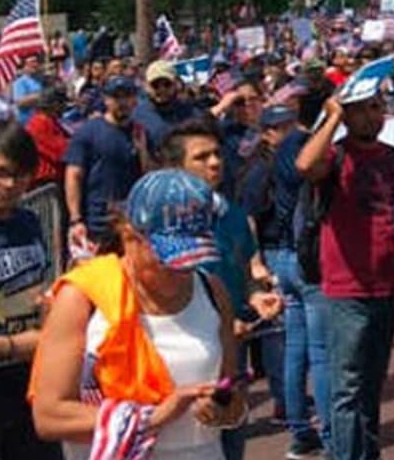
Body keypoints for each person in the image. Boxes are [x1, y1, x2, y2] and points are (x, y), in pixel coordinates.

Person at [31, 169, 247, 460]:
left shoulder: (211, 290)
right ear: (130, 236)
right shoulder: (82, 298)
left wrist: (227, 408)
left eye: (191, 260)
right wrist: (151, 418)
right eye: (169, 259)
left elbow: (229, 388)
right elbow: (49, 416)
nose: (181, 272)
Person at [296, 82, 394, 460]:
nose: (371, 116)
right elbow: (305, 165)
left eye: (376, 107)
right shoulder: (336, 156)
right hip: (347, 290)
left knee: (372, 386)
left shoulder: (393, 158)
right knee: (348, 388)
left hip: (386, 286)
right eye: (361, 109)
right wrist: (332, 118)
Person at [161, 119, 282, 460]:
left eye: (217, 154)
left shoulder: (232, 214)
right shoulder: (157, 224)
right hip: (181, 361)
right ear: (175, 168)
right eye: (201, 157)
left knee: (230, 443)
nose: (215, 162)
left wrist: (256, 298)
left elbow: (243, 275)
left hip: (231, 355)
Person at [263, 87, 332, 458]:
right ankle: (327, 431)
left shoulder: (285, 147)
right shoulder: (307, 149)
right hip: (307, 259)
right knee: (319, 353)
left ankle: (300, 430)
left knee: (295, 349)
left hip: (286, 256)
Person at [0, 123, 62, 459]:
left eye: (20, 175)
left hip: (32, 380)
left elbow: (37, 284)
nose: (10, 185)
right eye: (0, 173)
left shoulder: (27, 221)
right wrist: (13, 346)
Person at [64, 76, 143, 255]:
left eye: (127, 96)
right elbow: (73, 175)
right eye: (116, 97)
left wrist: (143, 150)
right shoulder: (88, 132)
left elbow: (148, 175)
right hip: (98, 226)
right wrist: (76, 220)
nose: (122, 102)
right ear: (106, 100)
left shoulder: (140, 132)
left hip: (132, 223)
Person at [133, 61, 199, 163]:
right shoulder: (137, 115)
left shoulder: (191, 113)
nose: (162, 89)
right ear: (146, 86)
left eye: (167, 84)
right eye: (155, 85)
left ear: (176, 84)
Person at [26, 86, 71, 189]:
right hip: (44, 183)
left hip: (55, 179)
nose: (64, 107)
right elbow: (61, 152)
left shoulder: (51, 121)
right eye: (62, 104)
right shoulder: (39, 123)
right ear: (54, 105)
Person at [12, 54, 44, 126]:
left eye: (36, 61)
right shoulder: (19, 82)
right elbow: (19, 102)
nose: (35, 64)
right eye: (31, 62)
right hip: (29, 122)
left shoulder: (39, 79)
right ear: (24, 67)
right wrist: (40, 95)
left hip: (41, 120)